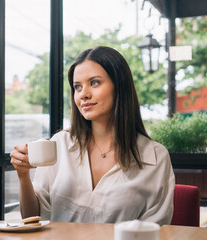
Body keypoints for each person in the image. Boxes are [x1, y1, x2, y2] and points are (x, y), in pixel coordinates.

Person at [10, 46, 175, 225]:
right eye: (77, 87)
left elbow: (155, 230)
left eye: (95, 83)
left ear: (119, 86)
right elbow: (32, 218)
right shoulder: (59, 146)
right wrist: (23, 175)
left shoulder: (155, 157)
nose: (83, 95)